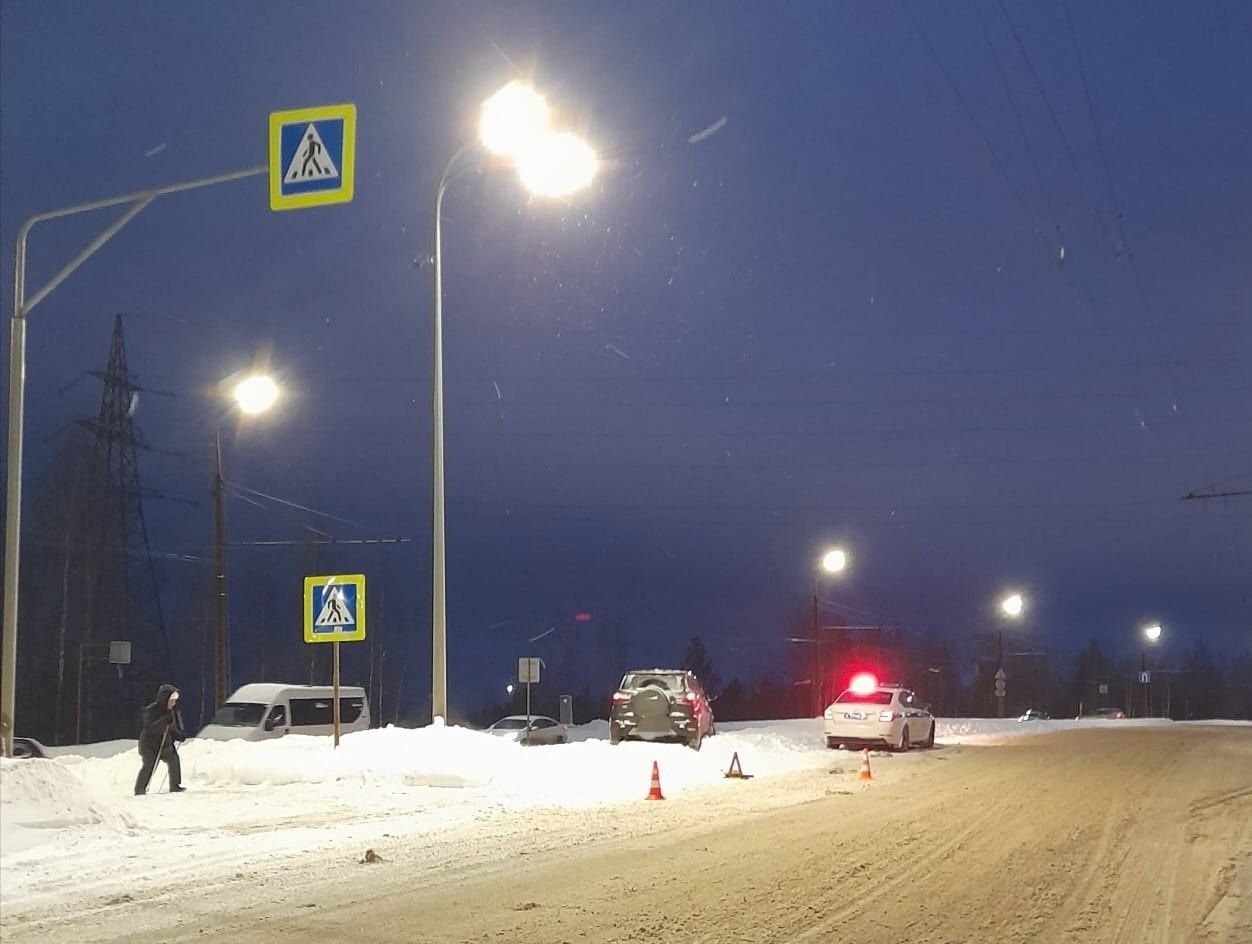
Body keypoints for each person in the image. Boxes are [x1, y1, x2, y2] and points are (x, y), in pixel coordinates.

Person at [134, 683, 186, 795]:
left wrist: (178, 734)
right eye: (172, 700)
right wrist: (163, 721)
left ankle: (175, 785)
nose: (174, 703)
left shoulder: (170, 712)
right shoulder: (151, 710)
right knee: (149, 765)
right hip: (149, 745)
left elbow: (170, 728)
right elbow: (149, 728)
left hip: (164, 744)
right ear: (165, 699)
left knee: (174, 759)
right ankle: (140, 789)